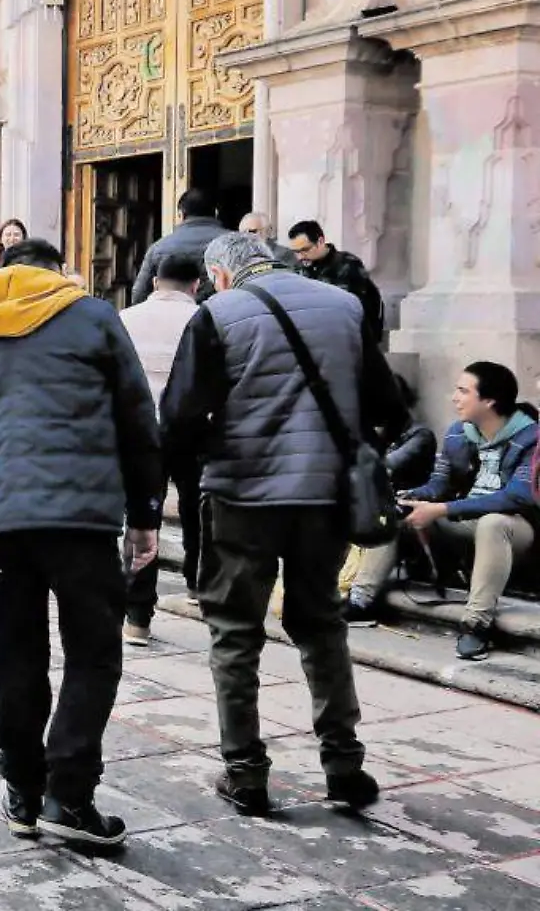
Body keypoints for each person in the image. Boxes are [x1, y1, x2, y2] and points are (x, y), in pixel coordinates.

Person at [0, 238, 160, 850]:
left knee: (15, 655)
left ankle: (24, 792)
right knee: (93, 652)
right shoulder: (93, 317)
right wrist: (145, 513)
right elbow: (137, 418)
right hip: (80, 519)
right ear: (58, 273)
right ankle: (70, 793)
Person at [161, 231, 400, 818]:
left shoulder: (217, 314)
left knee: (236, 631)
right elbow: (389, 405)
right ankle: (344, 764)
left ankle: (245, 772)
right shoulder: (344, 307)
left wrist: (199, 460)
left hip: (243, 494)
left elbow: (180, 415)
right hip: (324, 496)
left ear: (219, 275)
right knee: (321, 624)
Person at [346, 362, 538, 660]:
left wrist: (443, 508)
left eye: (463, 391)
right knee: (398, 512)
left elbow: (517, 497)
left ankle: (476, 625)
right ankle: (361, 602)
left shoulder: (531, 437)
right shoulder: (457, 434)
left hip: (516, 530)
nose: (454, 397)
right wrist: (412, 498)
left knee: (492, 523)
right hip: (463, 521)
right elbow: (439, 483)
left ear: (489, 400)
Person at [117, 252, 204, 644]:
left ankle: (137, 617)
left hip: (140, 434)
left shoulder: (126, 319)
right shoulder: (204, 319)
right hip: (191, 431)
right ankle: (196, 586)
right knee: (196, 511)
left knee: (141, 519)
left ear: (154, 282)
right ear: (196, 285)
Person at [287, 220, 386, 346]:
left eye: (305, 250)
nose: (300, 257)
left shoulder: (347, 264)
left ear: (320, 241)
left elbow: (349, 308)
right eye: (296, 252)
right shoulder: (298, 268)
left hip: (349, 337)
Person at [131, 189, 227, 303]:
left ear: (180, 214)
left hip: (171, 316)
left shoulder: (159, 247)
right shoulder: (233, 243)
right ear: (216, 213)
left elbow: (139, 294)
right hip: (220, 317)